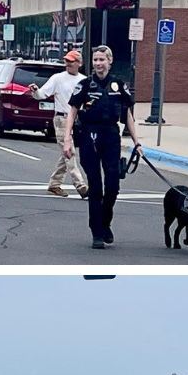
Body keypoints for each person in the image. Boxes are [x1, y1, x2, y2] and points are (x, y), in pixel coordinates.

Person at [64, 45, 142, 249]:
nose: (98, 63)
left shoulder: (119, 85)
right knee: (96, 186)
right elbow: (72, 111)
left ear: (110, 61)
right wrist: (67, 139)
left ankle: (105, 221)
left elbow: (128, 115)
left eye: (102, 59)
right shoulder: (85, 85)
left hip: (111, 135)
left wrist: (137, 142)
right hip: (89, 135)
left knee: (113, 185)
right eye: (95, 60)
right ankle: (97, 231)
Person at [29, 50, 89, 199]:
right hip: (62, 119)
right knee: (69, 152)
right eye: (66, 61)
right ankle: (81, 186)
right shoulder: (58, 78)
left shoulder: (84, 80)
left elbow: (89, 101)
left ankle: (54, 184)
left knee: (66, 153)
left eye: (71, 61)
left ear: (79, 63)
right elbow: (42, 94)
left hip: (78, 120)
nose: (68, 64)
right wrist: (35, 91)